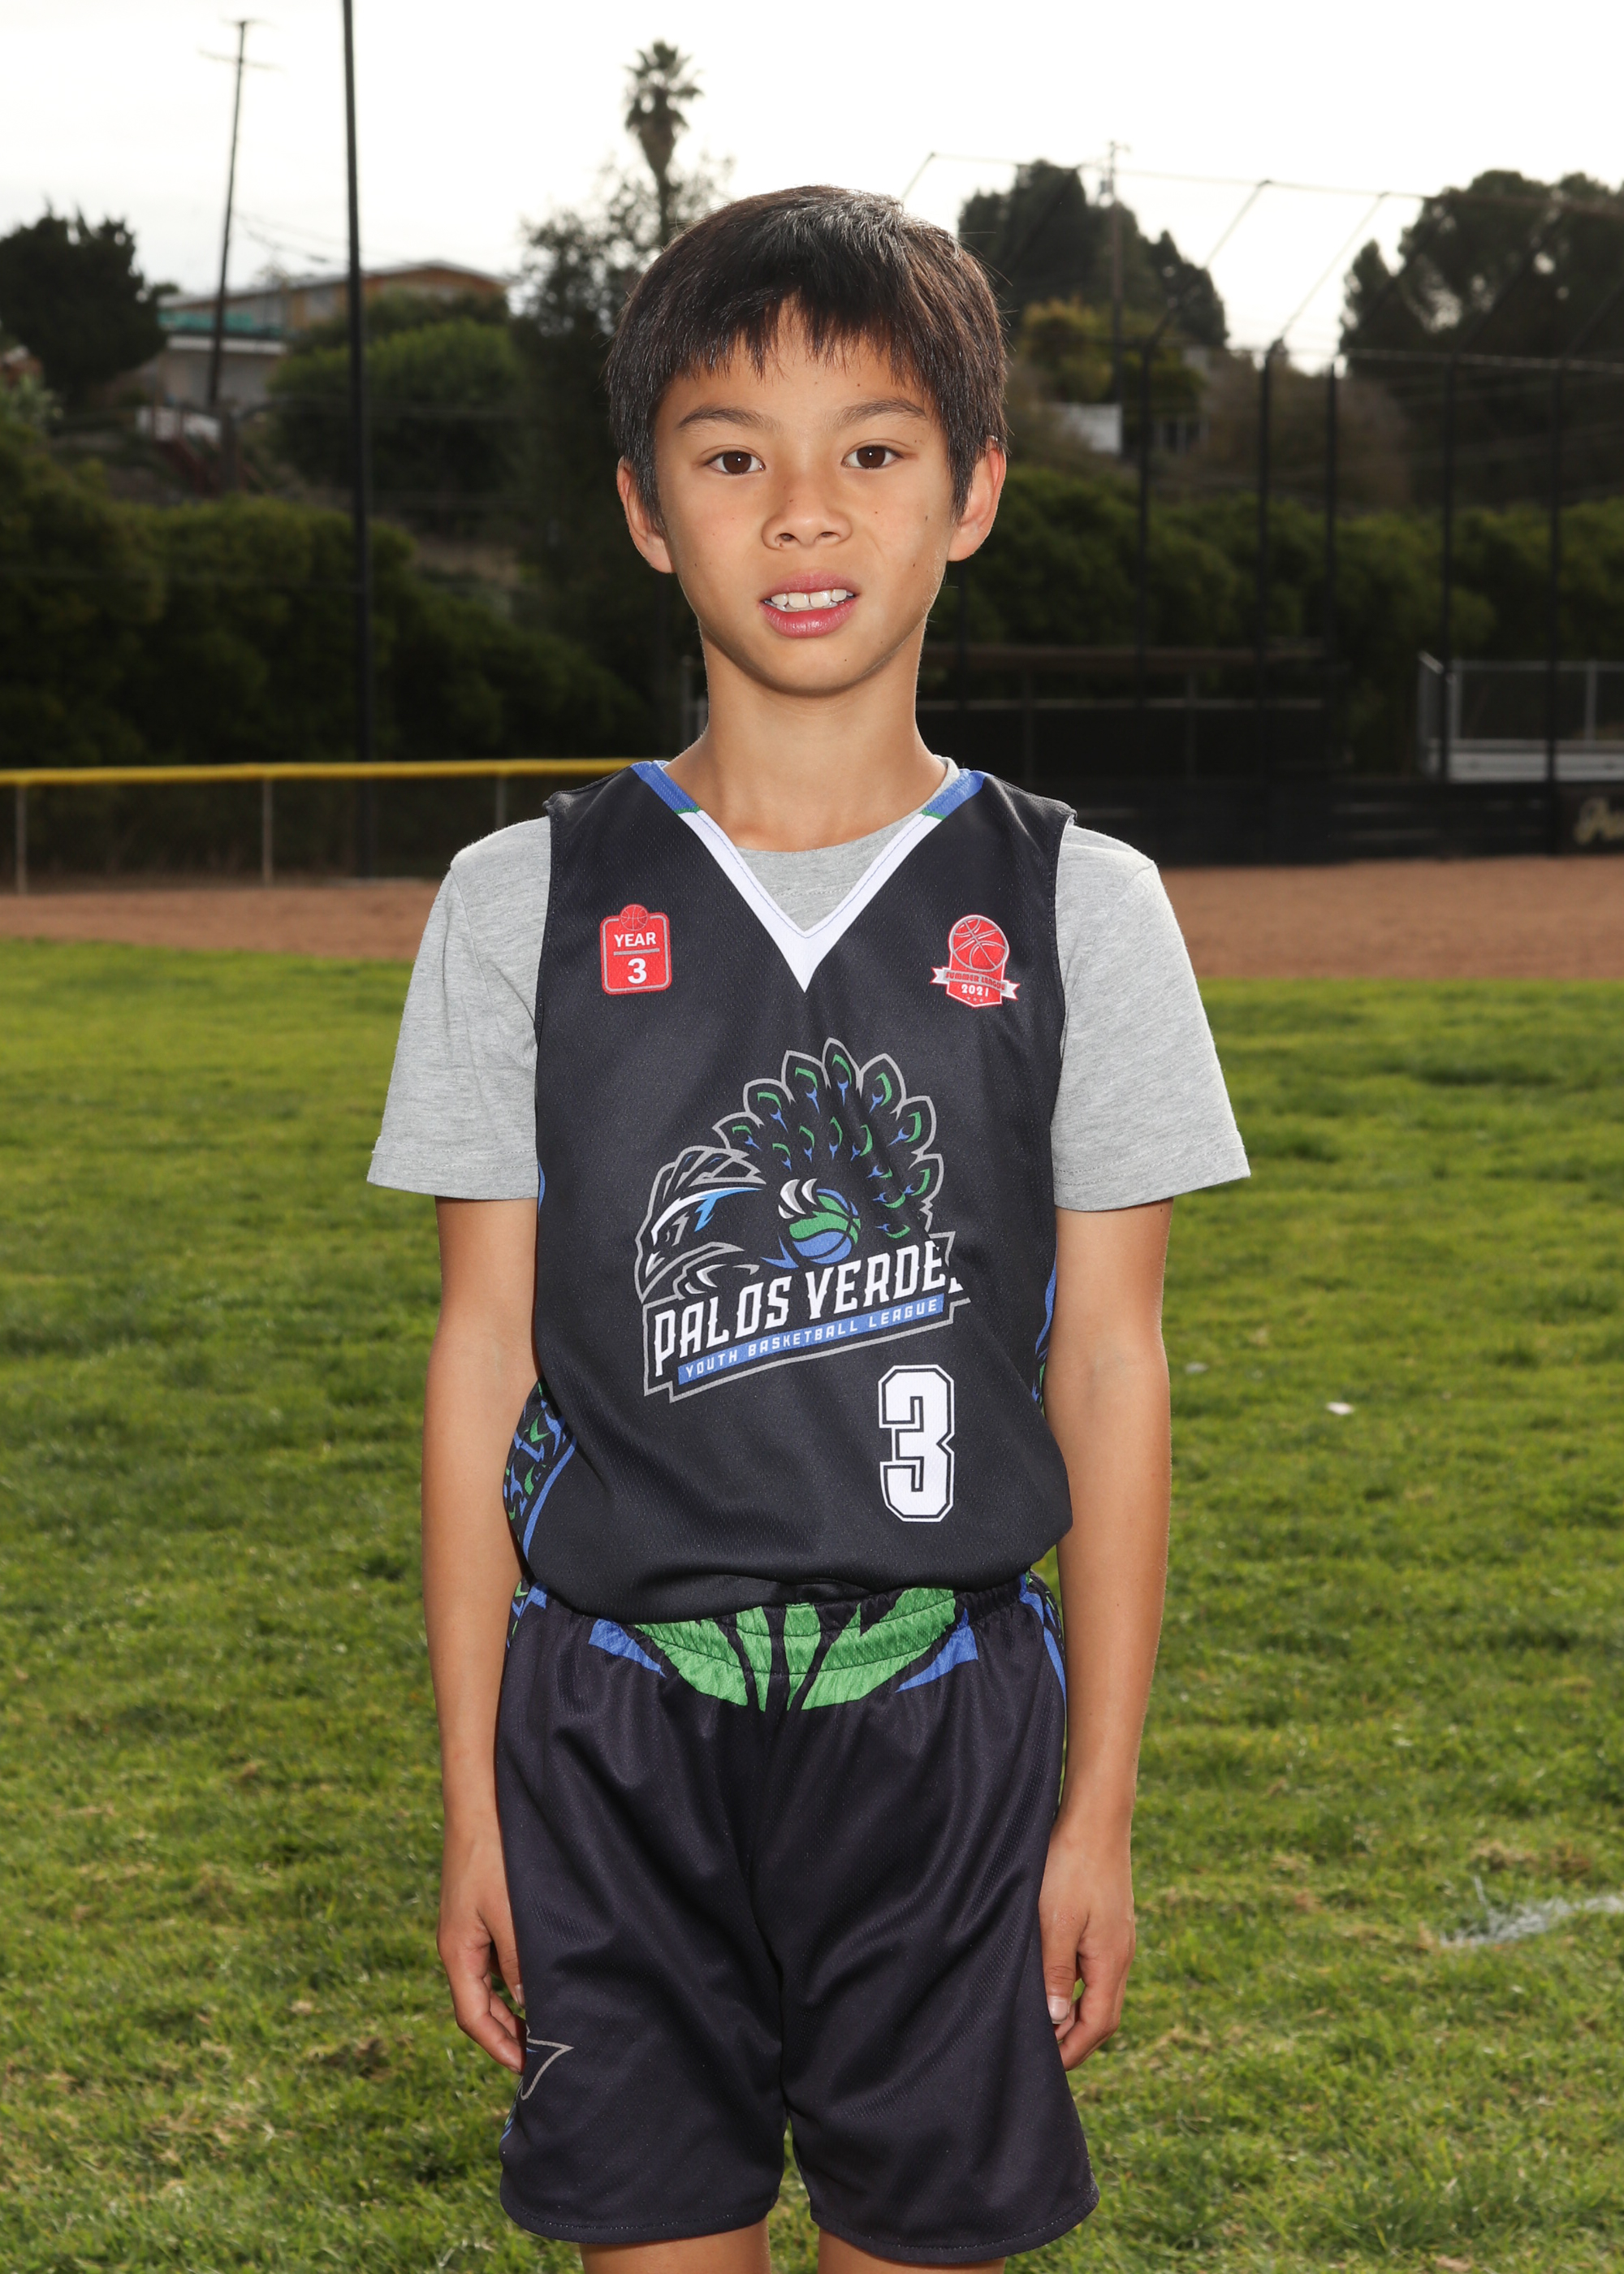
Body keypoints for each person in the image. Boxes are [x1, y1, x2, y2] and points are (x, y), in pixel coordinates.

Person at [369, 185, 1247, 2273]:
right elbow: (481, 1357)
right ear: (643, 508)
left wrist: (1097, 1809)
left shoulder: (1081, 904)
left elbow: (1110, 1361)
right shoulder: (520, 901)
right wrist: (477, 1796)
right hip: (608, 1729)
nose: (802, 511)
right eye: (729, 454)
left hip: (942, 1721)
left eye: (870, 447)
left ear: (973, 491)